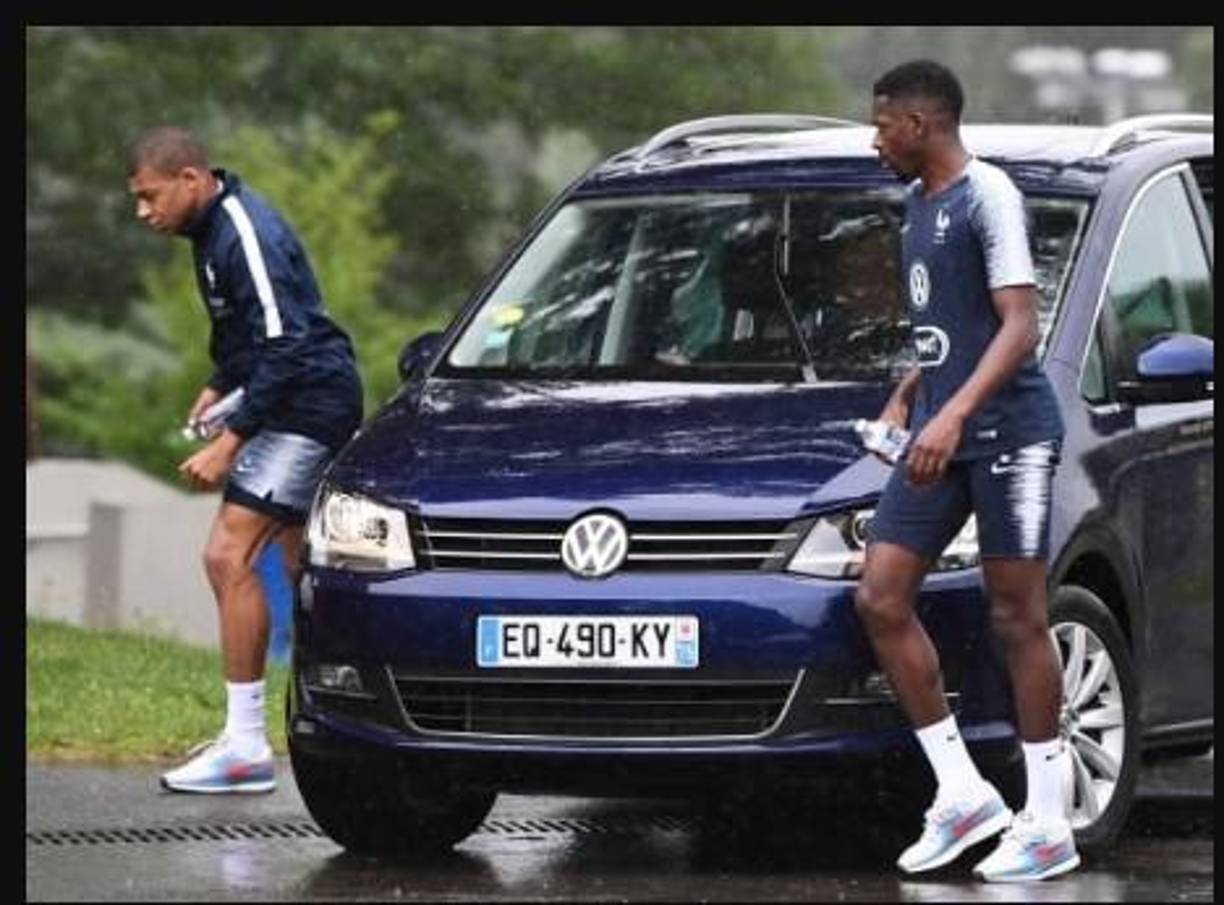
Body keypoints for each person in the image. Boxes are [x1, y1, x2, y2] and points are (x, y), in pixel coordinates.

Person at [859, 62, 1078, 882]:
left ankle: (1048, 820)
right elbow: (949, 331)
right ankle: (962, 792)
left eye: (883, 125)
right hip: (941, 436)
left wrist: (951, 415)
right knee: (880, 595)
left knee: (1016, 615)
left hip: (1011, 434)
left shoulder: (990, 196)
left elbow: (1019, 324)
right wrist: (907, 396)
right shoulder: (915, 207)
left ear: (920, 122)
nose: (875, 140)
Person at [127, 126, 363, 794]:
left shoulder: (241, 231)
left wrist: (229, 440)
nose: (143, 211)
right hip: (290, 397)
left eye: (150, 196)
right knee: (303, 564)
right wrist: (219, 381)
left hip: (307, 404)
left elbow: (288, 344)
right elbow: (247, 333)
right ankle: (350, 722)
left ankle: (245, 746)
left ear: (191, 179)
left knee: (227, 555)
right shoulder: (208, 235)